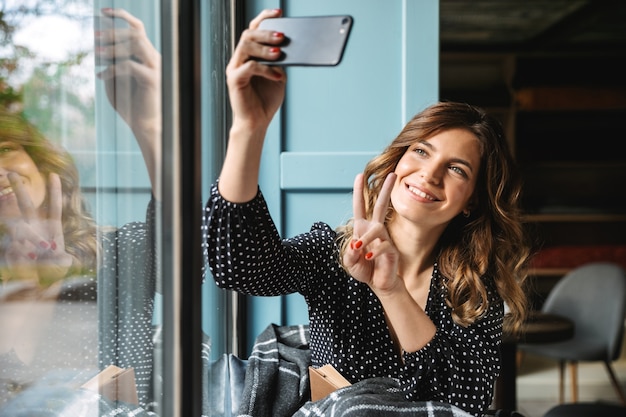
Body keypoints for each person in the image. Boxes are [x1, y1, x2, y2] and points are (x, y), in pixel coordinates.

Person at [205, 8, 530, 417]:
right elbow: (239, 267)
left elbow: (464, 403)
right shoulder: (335, 252)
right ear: (398, 160)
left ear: (473, 201)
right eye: (420, 151)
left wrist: (390, 288)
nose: (429, 174)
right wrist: (248, 128)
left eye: (456, 169)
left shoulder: (475, 291)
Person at [0, 7, 161, 414]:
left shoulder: (118, 253)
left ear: (42, 164)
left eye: (5, 151)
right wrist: (35, 289)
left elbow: (189, 258)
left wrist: (151, 125)